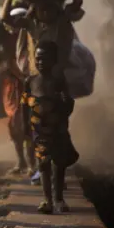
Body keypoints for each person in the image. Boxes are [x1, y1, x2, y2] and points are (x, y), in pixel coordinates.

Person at [24, 42, 78, 214]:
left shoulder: (59, 81)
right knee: (43, 165)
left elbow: (68, 105)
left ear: (53, 61)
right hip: (39, 132)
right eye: (38, 58)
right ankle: (47, 200)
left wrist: (64, 102)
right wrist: (25, 129)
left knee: (59, 165)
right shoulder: (30, 81)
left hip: (57, 130)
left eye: (45, 59)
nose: (40, 62)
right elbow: (25, 107)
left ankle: (59, 199)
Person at [0, 21, 35, 175]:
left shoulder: (28, 36)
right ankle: (22, 161)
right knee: (15, 124)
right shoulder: (2, 38)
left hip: (27, 85)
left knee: (27, 125)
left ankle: (31, 163)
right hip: (11, 87)